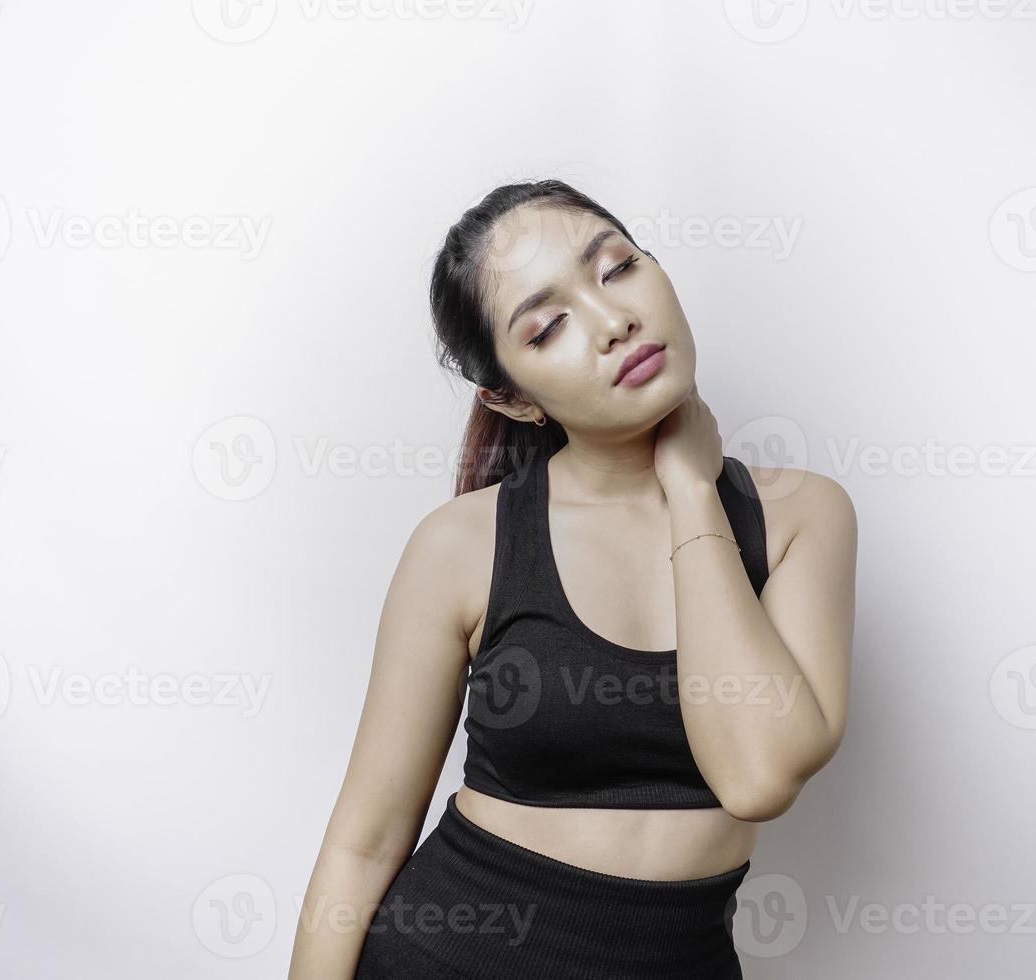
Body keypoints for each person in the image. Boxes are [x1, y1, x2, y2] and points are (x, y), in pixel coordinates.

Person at [287, 179, 856, 979]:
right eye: (549, 325)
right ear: (513, 399)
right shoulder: (463, 543)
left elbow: (757, 774)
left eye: (619, 268)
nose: (613, 320)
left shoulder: (802, 516)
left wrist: (693, 491)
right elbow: (367, 838)